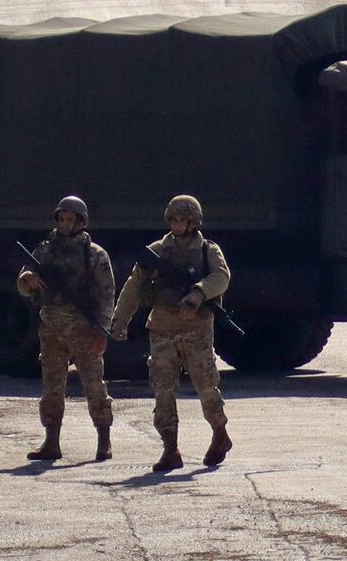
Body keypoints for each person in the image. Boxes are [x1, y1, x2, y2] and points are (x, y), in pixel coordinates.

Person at [111, 195, 232, 471]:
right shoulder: (157, 251)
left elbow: (221, 277)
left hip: (196, 329)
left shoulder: (207, 251)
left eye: (183, 220)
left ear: (194, 221)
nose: (177, 225)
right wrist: (120, 320)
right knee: (162, 389)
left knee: (205, 385)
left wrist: (198, 294)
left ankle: (219, 433)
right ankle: (170, 448)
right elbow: (134, 286)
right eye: (174, 219)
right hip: (162, 328)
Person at [18, 196, 115, 461]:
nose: (65, 224)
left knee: (94, 384)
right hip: (51, 326)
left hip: (83, 327)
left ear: (81, 223)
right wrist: (26, 279)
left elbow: (106, 295)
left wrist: (102, 332)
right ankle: (52, 441)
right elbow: (24, 283)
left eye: (70, 220)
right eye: (61, 219)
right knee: (51, 385)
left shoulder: (94, 254)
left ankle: (103, 439)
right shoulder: (45, 250)